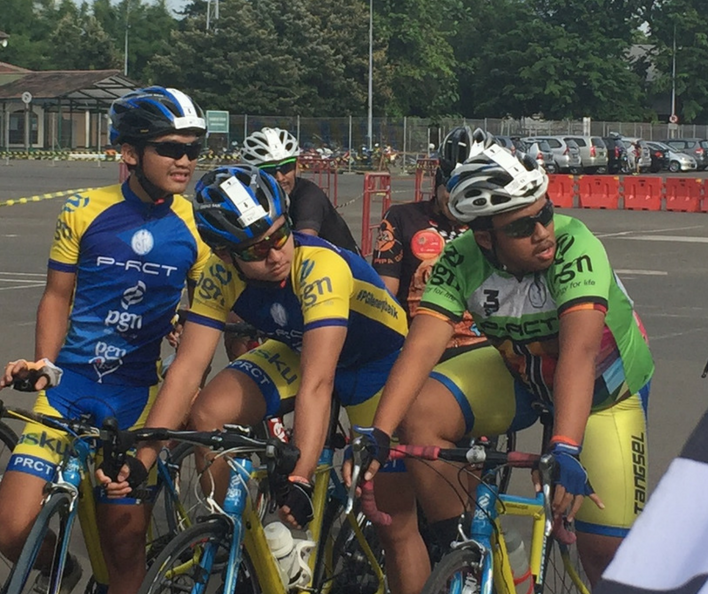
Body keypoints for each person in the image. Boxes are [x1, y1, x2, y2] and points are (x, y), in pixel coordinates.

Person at [366, 141, 654, 594]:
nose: (543, 232)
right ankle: (473, 557)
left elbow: (580, 356)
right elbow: (421, 348)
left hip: (604, 395)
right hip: (520, 373)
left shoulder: (576, 244)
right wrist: (378, 434)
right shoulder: (460, 261)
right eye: (522, 227)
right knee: (419, 418)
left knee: (606, 551)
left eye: (546, 213)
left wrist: (565, 446)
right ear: (484, 238)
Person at [0, 86, 205, 594]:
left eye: (194, 151)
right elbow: (58, 296)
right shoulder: (83, 210)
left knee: (124, 550)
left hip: (135, 399)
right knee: (10, 529)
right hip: (68, 390)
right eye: (171, 150)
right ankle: (58, 566)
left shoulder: (198, 231)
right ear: (128, 152)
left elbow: (205, 327)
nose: (186, 161)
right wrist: (42, 362)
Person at [148, 165, 424, 518]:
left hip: (374, 360)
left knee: (393, 522)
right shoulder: (218, 275)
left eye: (280, 235)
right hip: (299, 347)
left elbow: (317, 384)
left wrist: (299, 479)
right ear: (225, 255)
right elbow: (186, 371)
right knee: (208, 413)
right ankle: (231, 535)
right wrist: (142, 459)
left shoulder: (319, 266)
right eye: (255, 250)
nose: (276, 255)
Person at [369, 125, 487, 349]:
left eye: (471, 191)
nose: (459, 201)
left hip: (482, 347)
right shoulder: (401, 217)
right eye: (454, 187)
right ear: (439, 179)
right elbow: (383, 295)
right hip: (416, 345)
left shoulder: (496, 224)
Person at [239, 126, 358, 251]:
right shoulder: (253, 196)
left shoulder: (309, 195)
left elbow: (304, 245)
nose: (280, 177)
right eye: (268, 171)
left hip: (344, 266)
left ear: (297, 166)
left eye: (286, 167)